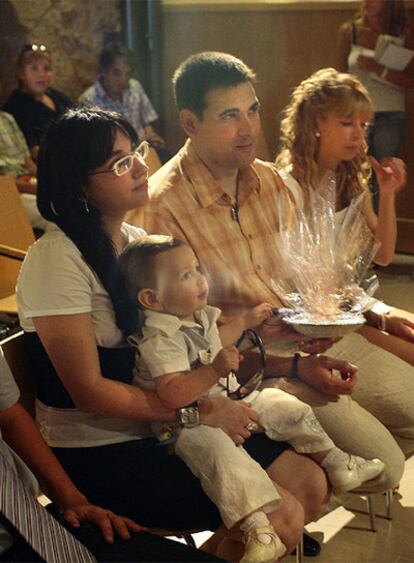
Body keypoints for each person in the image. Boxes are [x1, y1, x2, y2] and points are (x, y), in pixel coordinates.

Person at [16, 106, 330, 562]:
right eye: (121, 163)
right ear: (79, 185)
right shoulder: (56, 259)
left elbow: (186, 340)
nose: (142, 165)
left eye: (136, 151)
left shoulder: (135, 240)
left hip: (166, 423)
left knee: (309, 482)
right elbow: (88, 392)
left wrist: (245, 331)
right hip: (103, 447)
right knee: (282, 517)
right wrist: (194, 414)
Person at [132, 51, 408, 500]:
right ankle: (299, 489)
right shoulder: (163, 208)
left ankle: (323, 454)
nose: (247, 128)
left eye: (253, 110)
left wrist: (342, 319)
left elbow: (310, 276)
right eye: (229, 115)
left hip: (307, 337)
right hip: (251, 369)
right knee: (388, 466)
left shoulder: (272, 183)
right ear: (189, 122)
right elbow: (180, 342)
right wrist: (294, 364)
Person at [119, 233, 385, 563]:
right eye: (186, 276)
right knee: (224, 459)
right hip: (185, 425)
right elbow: (173, 393)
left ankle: (335, 461)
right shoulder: (159, 337)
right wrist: (214, 370)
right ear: (152, 299)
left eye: (197, 269)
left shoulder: (195, 314)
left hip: (224, 400)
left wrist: (246, 323)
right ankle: (257, 528)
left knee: (283, 405)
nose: (201, 280)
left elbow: (216, 337)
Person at [0, 346, 221, 562]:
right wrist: (197, 413)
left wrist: (73, 501)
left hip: (32, 520)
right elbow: (90, 393)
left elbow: (9, 415)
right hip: (97, 452)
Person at [275, 66, 414, 373]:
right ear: (315, 124)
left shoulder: (349, 179)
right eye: (346, 123)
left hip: (349, 301)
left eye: (363, 125)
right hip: (315, 314)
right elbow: (286, 277)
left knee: (409, 326)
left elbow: (384, 255)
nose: (358, 135)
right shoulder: (289, 186)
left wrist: (388, 193)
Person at [335, 0, 414, 210]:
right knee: (351, 172)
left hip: (390, 116)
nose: (366, 2)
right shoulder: (350, 31)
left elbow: (410, 79)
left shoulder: (403, 34)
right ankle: (353, 228)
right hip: (356, 116)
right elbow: (338, 77)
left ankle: (379, 230)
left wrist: (378, 69)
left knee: (382, 175)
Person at [79, 42, 170, 163]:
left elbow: (148, 120)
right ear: (103, 71)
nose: (123, 80)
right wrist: (138, 143)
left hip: (144, 150)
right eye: (117, 73)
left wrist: (150, 136)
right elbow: (95, 148)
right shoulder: (88, 100)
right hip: (116, 161)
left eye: (127, 74)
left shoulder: (135, 87)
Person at [3, 43, 72, 160]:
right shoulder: (16, 106)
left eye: (46, 68)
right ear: (21, 73)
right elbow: (33, 151)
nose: (42, 75)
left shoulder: (55, 95)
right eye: (34, 68)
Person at [0, 109, 48, 230]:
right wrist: (38, 189)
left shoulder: (6, 118)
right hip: (7, 193)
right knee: (57, 216)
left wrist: (49, 182)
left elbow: (28, 163)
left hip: (27, 182)